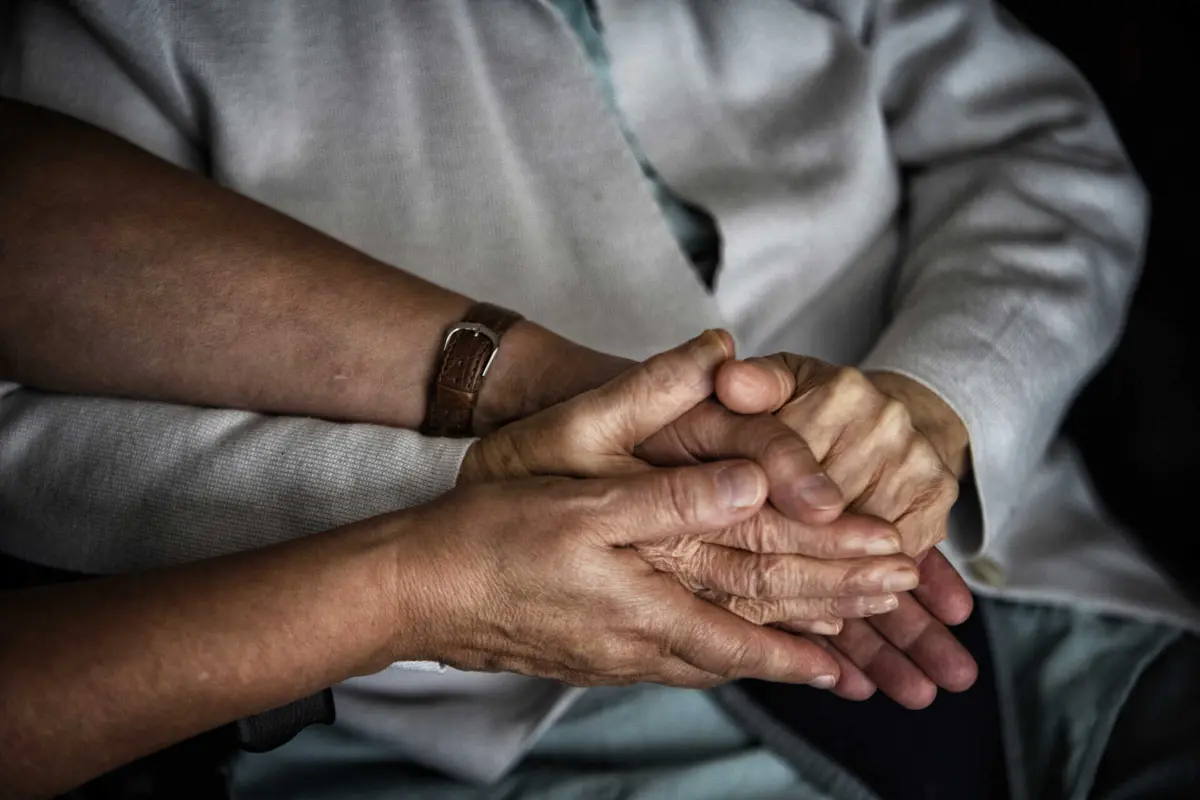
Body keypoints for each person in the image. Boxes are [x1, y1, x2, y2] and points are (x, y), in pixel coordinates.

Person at [1, 1, 1196, 798]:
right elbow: (38, 429)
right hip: (512, 727)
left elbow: (1038, 145)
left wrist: (946, 393)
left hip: (1032, 579)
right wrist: (471, 499)